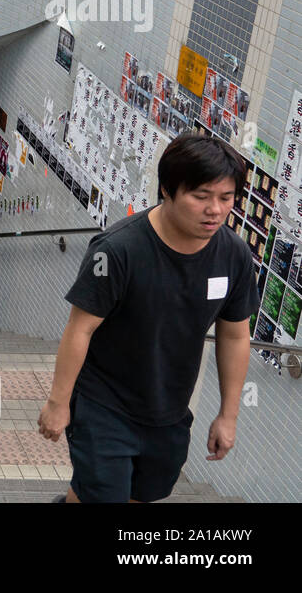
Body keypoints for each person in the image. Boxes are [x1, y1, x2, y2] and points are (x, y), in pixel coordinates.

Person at [37, 134, 256, 503]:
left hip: (169, 410)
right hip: (104, 404)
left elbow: (235, 336)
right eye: (201, 196)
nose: (215, 210)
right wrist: (59, 402)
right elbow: (81, 328)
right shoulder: (118, 249)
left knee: (142, 496)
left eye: (226, 198)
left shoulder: (233, 255)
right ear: (167, 191)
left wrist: (228, 415)